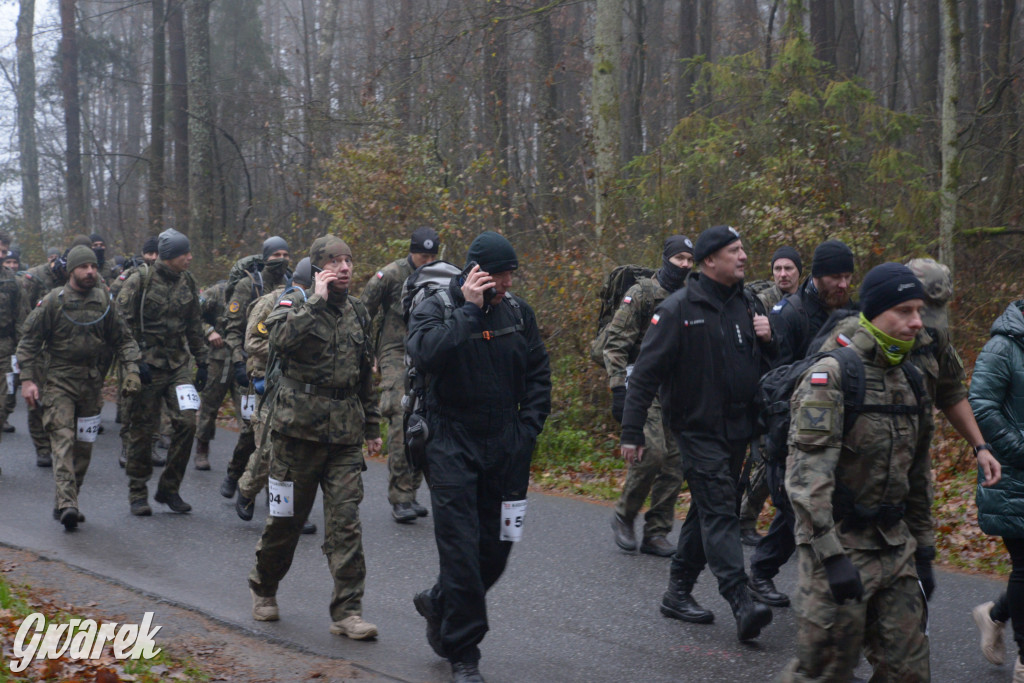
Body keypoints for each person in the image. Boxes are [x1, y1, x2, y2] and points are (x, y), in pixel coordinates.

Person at [779, 263, 937, 682]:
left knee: (908, 673)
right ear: (876, 311)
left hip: (895, 548)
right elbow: (806, 475)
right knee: (825, 672)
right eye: (904, 310)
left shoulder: (912, 381)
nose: (917, 321)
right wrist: (830, 558)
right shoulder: (831, 376)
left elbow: (919, 476)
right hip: (839, 549)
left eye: (919, 310)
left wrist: (924, 550)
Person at [407, 231, 551, 682]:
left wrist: (526, 432)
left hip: (506, 447)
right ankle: (464, 652)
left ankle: (440, 601)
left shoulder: (517, 312)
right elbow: (427, 354)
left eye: (511, 273)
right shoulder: (437, 308)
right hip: (450, 442)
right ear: (477, 272)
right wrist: (469, 310)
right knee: (461, 550)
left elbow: (539, 375)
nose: (508, 282)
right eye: (501, 274)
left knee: (499, 547)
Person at [620, 225, 774, 642]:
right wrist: (632, 432)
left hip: (739, 429)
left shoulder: (746, 303)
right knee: (721, 508)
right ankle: (740, 598)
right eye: (734, 251)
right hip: (696, 429)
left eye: (743, 249)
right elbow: (644, 375)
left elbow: (761, 366)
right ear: (710, 261)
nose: (743, 257)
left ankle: (677, 593)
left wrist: (769, 340)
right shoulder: (677, 309)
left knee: (709, 509)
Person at [247, 236, 381, 640]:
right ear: (319, 267)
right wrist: (315, 303)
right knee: (286, 523)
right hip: (296, 435)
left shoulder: (358, 311)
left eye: (349, 261)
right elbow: (279, 344)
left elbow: (364, 377)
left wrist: (373, 427)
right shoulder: (293, 304)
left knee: (346, 525)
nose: (344, 268)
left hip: (343, 437)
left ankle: (348, 611)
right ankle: (264, 589)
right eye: (335, 261)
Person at [747, 239, 857, 609]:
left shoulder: (849, 310)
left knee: (812, 504)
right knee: (796, 505)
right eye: (834, 277)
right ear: (816, 275)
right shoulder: (789, 313)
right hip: (791, 424)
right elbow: (775, 379)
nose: (841, 284)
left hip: (836, 422)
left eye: (847, 276)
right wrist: (777, 438)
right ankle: (762, 572)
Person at [16, 246, 142, 529]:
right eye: (84, 267)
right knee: (62, 442)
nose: (90, 272)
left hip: (92, 384)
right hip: (59, 381)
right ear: (71, 269)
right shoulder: (52, 302)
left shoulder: (104, 302)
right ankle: (69, 504)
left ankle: (66, 499)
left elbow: (124, 339)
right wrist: (27, 380)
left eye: (94, 267)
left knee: (84, 448)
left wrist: (132, 370)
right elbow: (29, 342)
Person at [606, 235, 693, 556]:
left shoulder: (689, 295)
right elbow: (615, 345)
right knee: (651, 453)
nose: (683, 264)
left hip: (677, 391)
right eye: (678, 258)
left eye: (688, 259)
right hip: (642, 387)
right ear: (665, 258)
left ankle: (656, 532)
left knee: (675, 463)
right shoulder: (641, 293)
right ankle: (624, 515)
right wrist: (618, 389)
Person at [116, 228, 209, 515]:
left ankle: (169, 488)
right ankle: (137, 492)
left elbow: (194, 324)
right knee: (142, 431)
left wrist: (203, 360)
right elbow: (120, 326)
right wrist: (134, 361)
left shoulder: (188, 281)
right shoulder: (139, 281)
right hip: (146, 366)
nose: (190, 258)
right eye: (185, 254)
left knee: (188, 423)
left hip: (177, 366)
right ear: (169, 257)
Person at [361, 226, 440, 523]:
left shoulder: (441, 275)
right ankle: (400, 498)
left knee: (425, 421)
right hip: (394, 352)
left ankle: (412, 492)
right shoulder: (390, 275)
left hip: (427, 352)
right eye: (423, 256)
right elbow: (360, 313)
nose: (428, 261)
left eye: (433, 256)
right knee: (398, 415)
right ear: (411, 252)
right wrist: (366, 355)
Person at [234, 257, 316, 535]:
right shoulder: (272, 302)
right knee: (268, 450)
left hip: (302, 391)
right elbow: (252, 342)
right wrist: (289, 348)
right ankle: (246, 489)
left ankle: (290, 513)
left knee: (299, 453)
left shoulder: (319, 307)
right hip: (270, 387)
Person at [969, 296, 1024, 679]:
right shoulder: (1002, 346)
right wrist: (1020, 450)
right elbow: (981, 405)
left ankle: (995, 613)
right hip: (1013, 476)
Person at [218, 236, 291, 500]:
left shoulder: (292, 286)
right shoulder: (248, 286)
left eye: (285, 254)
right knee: (251, 430)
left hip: (283, 373)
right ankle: (235, 473)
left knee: (280, 433)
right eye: (275, 255)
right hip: (252, 371)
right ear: (265, 257)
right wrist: (238, 361)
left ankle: (275, 494)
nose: (281, 259)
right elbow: (233, 329)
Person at [740, 245, 803, 547]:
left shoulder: (805, 303)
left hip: (801, 392)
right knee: (767, 460)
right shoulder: (762, 302)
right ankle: (742, 519)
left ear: (799, 272)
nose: (782, 274)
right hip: (767, 392)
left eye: (788, 268)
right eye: (777, 269)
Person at [0, 253, 27, 475]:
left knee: (3, 404)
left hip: (5, 348)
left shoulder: (12, 282)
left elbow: (21, 318)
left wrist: (22, 353)